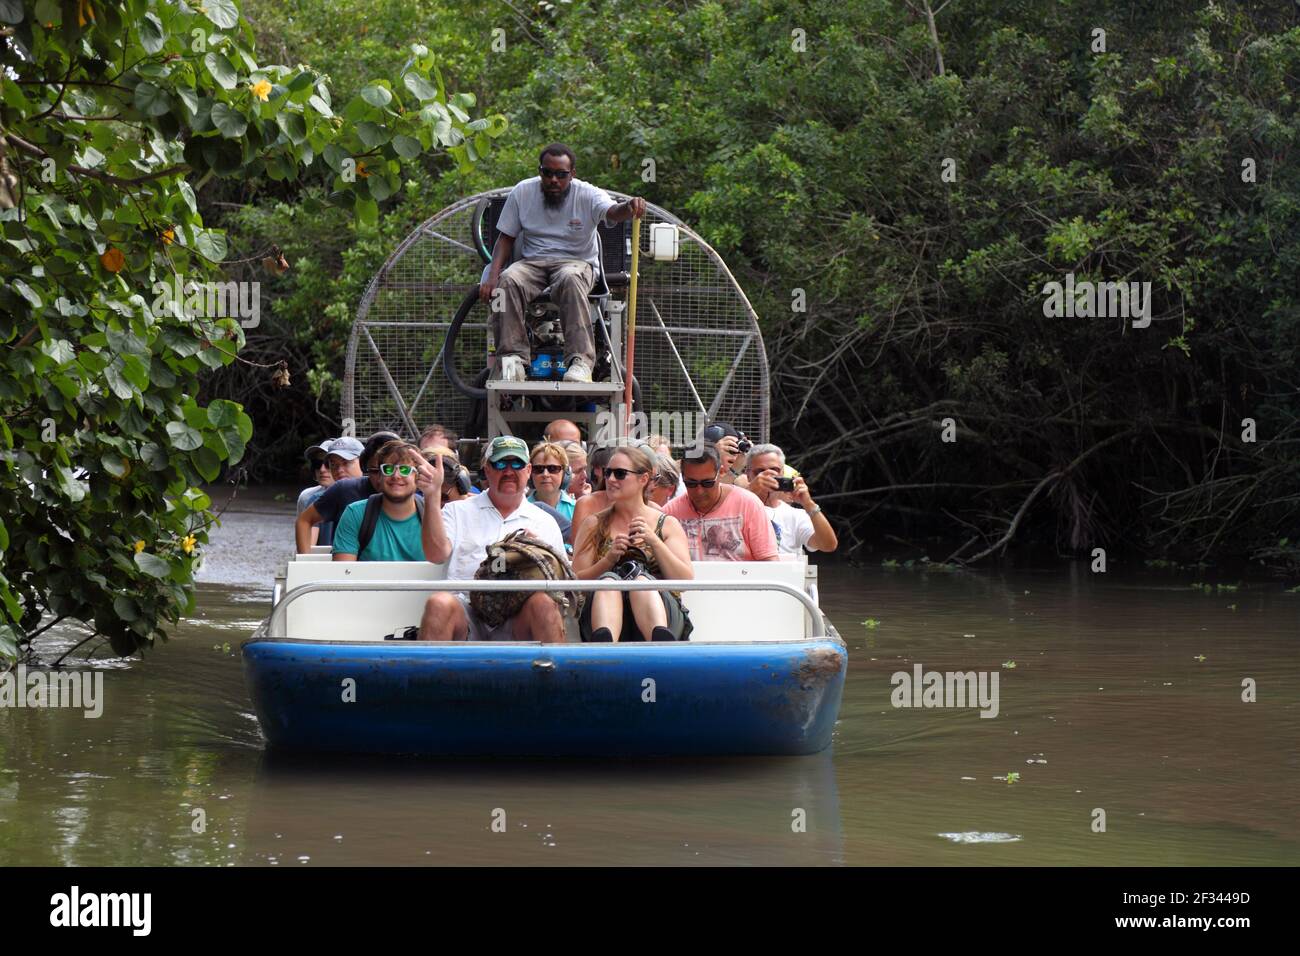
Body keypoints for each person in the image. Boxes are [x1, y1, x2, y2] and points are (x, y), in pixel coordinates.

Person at [479, 144, 647, 384]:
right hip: (533, 263)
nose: (554, 180)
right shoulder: (523, 192)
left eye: (561, 175)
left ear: (572, 174)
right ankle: (513, 359)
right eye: (547, 173)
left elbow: (612, 212)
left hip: (576, 263)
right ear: (540, 172)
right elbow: (505, 238)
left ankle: (580, 362)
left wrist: (628, 208)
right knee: (508, 279)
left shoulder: (587, 194)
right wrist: (492, 276)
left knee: (569, 278)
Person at [415, 436, 569, 642]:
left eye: (517, 464)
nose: (508, 471)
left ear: (528, 470)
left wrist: (538, 552)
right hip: (466, 610)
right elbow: (435, 554)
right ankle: (427, 675)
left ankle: (557, 673)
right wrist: (432, 495)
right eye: (500, 463)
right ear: (487, 470)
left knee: (544, 604)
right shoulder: (456, 511)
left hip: (520, 614)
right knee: (439, 602)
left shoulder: (545, 521)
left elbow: (561, 587)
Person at [572, 445, 693, 642]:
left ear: (643, 479)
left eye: (620, 474)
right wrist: (609, 560)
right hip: (600, 614)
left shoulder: (666, 523)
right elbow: (576, 583)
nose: (610, 479)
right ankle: (605, 649)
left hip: (663, 613)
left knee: (641, 582)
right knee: (609, 582)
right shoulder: (593, 524)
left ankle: (660, 645)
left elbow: (685, 581)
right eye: (608, 472)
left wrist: (654, 541)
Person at [664, 444, 778, 561]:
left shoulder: (748, 504)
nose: (699, 491)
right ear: (682, 478)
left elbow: (769, 561)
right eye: (691, 483)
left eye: (707, 483)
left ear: (722, 472)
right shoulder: (670, 513)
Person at [294, 432, 399, 553]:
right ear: (366, 466)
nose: (338, 470)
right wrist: (305, 564)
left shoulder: (418, 495)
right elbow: (304, 521)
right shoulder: (336, 492)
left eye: (346, 462)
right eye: (332, 465)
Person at [331, 441, 427, 561]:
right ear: (379, 476)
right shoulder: (355, 513)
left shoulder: (433, 514)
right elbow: (343, 573)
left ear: (418, 477)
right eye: (388, 469)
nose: (396, 476)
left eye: (404, 469)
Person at [745, 444, 838, 556]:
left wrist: (808, 504)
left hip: (783, 572)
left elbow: (828, 546)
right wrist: (750, 491)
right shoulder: (734, 504)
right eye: (760, 471)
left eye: (774, 470)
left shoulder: (796, 515)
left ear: (783, 473)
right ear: (748, 475)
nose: (768, 475)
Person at [528, 441, 577, 545]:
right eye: (538, 469)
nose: (545, 474)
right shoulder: (521, 509)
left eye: (553, 469)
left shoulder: (577, 509)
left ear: (566, 473)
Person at [297, 440, 337, 548]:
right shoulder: (307, 497)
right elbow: (306, 546)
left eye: (329, 464)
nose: (322, 470)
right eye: (317, 464)